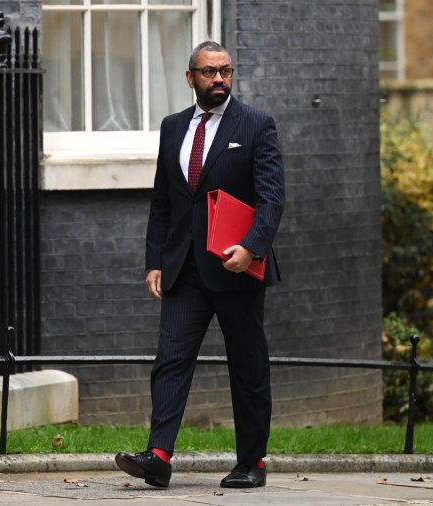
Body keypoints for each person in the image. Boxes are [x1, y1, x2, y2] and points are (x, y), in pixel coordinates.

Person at [115, 41, 285, 489]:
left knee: (247, 365)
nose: (219, 80)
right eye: (209, 72)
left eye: (226, 71)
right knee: (170, 360)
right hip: (183, 269)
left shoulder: (256, 125)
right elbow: (162, 202)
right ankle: (158, 456)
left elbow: (272, 198)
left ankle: (253, 462)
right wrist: (155, 260)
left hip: (235, 267)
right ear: (190, 77)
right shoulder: (172, 128)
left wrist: (251, 247)